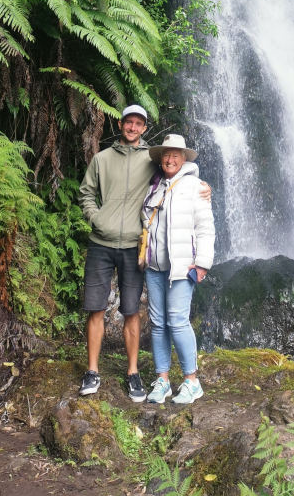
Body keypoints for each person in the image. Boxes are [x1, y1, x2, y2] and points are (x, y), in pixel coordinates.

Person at [77, 104, 154, 402]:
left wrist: (202, 187)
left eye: (138, 124)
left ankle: (133, 373)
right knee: (95, 307)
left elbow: (178, 171)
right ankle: (92, 370)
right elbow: (86, 193)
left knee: (131, 310)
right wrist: (97, 218)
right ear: (120, 124)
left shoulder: (151, 159)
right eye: (128, 122)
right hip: (101, 242)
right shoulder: (102, 159)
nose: (133, 127)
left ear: (144, 128)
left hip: (134, 244)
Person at [142, 133, 214, 404]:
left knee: (178, 321)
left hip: (182, 268)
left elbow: (206, 229)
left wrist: (203, 263)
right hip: (154, 266)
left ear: (184, 158)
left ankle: (191, 381)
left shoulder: (196, 186)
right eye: (166, 155)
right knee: (158, 324)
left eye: (175, 154)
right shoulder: (155, 185)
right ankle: (162, 380)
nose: (170, 159)